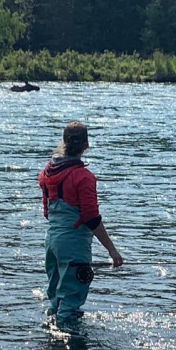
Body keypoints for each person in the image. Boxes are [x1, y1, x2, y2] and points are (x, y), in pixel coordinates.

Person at [38, 121, 122, 321]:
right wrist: (112, 250)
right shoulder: (83, 177)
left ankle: (51, 341)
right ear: (86, 145)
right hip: (73, 247)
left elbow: (47, 213)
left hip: (51, 243)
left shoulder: (47, 173)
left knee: (56, 300)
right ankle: (70, 347)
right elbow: (91, 218)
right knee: (71, 303)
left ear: (64, 142)